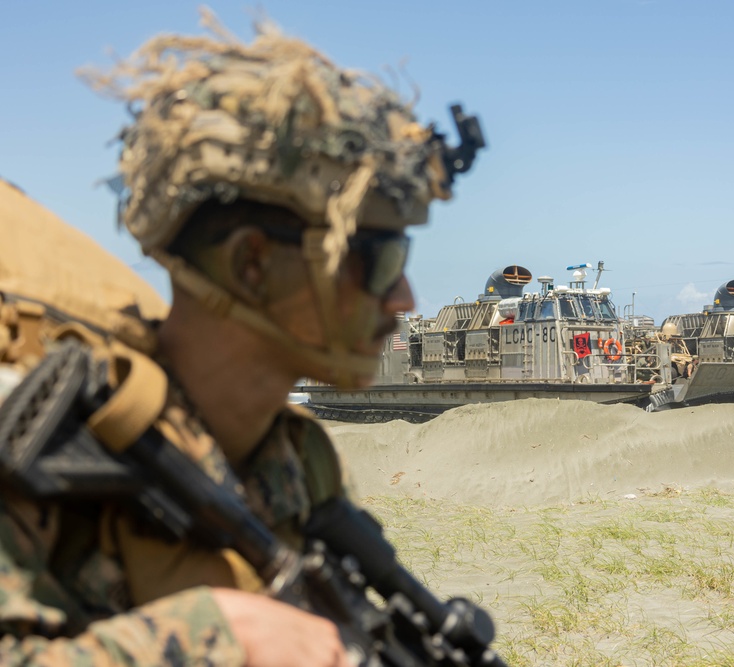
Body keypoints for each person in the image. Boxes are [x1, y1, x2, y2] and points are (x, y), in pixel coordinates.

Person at [0, 10, 482, 666]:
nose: (405, 299)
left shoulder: (297, 463)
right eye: (377, 258)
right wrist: (217, 638)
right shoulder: (52, 434)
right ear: (252, 263)